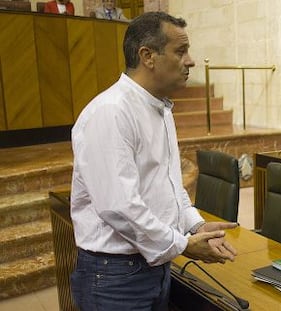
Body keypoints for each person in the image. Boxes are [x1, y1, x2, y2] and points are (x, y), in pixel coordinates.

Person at [69, 12, 238, 311]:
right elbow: (120, 206)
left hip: (154, 265)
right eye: (180, 51)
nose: (191, 61)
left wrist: (195, 225)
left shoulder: (161, 109)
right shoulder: (111, 112)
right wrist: (183, 245)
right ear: (147, 56)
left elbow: (169, 186)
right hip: (115, 277)